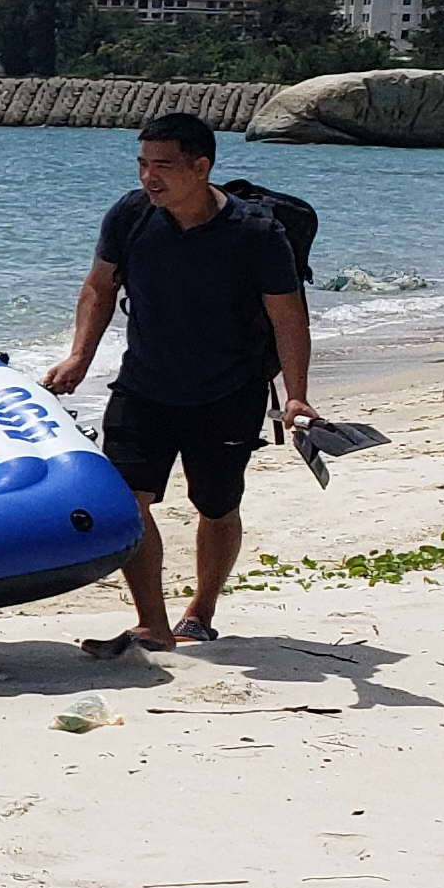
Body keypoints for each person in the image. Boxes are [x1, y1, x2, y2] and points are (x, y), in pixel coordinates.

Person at [42, 107, 313, 651]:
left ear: (201, 167)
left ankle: (202, 609)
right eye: (142, 164)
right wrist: (79, 358)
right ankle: (153, 624)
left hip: (227, 391)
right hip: (144, 385)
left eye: (162, 165)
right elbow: (98, 289)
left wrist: (297, 395)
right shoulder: (131, 216)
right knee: (127, 501)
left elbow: (289, 315)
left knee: (214, 504)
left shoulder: (255, 233)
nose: (149, 177)